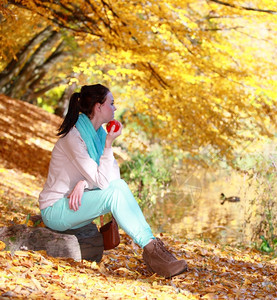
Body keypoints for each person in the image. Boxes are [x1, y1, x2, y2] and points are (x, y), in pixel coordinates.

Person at [38, 84, 187, 278]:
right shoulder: (74, 138)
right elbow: (102, 182)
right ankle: (153, 253)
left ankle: (153, 250)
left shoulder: (98, 135)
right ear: (98, 107)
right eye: (112, 103)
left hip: (75, 204)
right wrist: (109, 145)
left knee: (120, 186)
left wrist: (84, 183)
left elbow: (113, 179)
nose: (115, 108)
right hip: (56, 210)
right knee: (115, 191)